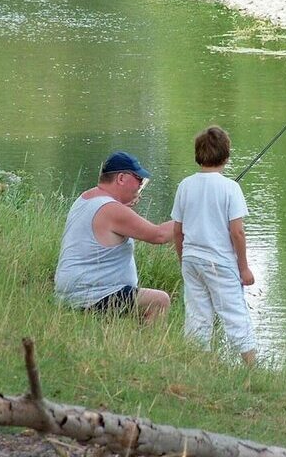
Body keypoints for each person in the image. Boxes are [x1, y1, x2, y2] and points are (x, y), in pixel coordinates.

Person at [171, 126, 256, 365]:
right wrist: (244, 268)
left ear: (198, 154)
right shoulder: (231, 188)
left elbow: (178, 231)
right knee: (235, 316)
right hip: (220, 263)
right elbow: (237, 232)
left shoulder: (185, 185)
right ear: (226, 156)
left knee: (197, 316)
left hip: (191, 259)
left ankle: (198, 365)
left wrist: (183, 260)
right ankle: (253, 371)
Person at [55, 151, 173, 322]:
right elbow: (159, 235)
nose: (140, 186)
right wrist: (188, 218)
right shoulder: (111, 209)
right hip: (90, 296)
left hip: (72, 292)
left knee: (141, 298)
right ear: (121, 178)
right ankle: (148, 347)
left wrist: (123, 205)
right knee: (159, 300)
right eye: (138, 180)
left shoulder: (87, 198)